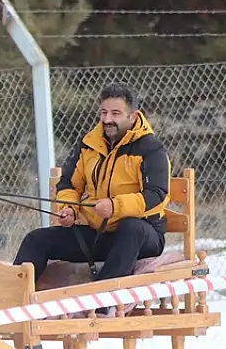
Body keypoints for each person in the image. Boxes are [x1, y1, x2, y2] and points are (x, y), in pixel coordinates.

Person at [14, 81, 170, 282]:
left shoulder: (150, 149)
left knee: (130, 227)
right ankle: (11, 295)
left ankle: (103, 295)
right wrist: (70, 209)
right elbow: (69, 184)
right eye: (103, 113)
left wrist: (114, 206)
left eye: (115, 113)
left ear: (132, 116)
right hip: (99, 233)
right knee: (36, 240)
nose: (107, 119)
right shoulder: (89, 144)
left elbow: (156, 194)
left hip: (142, 235)